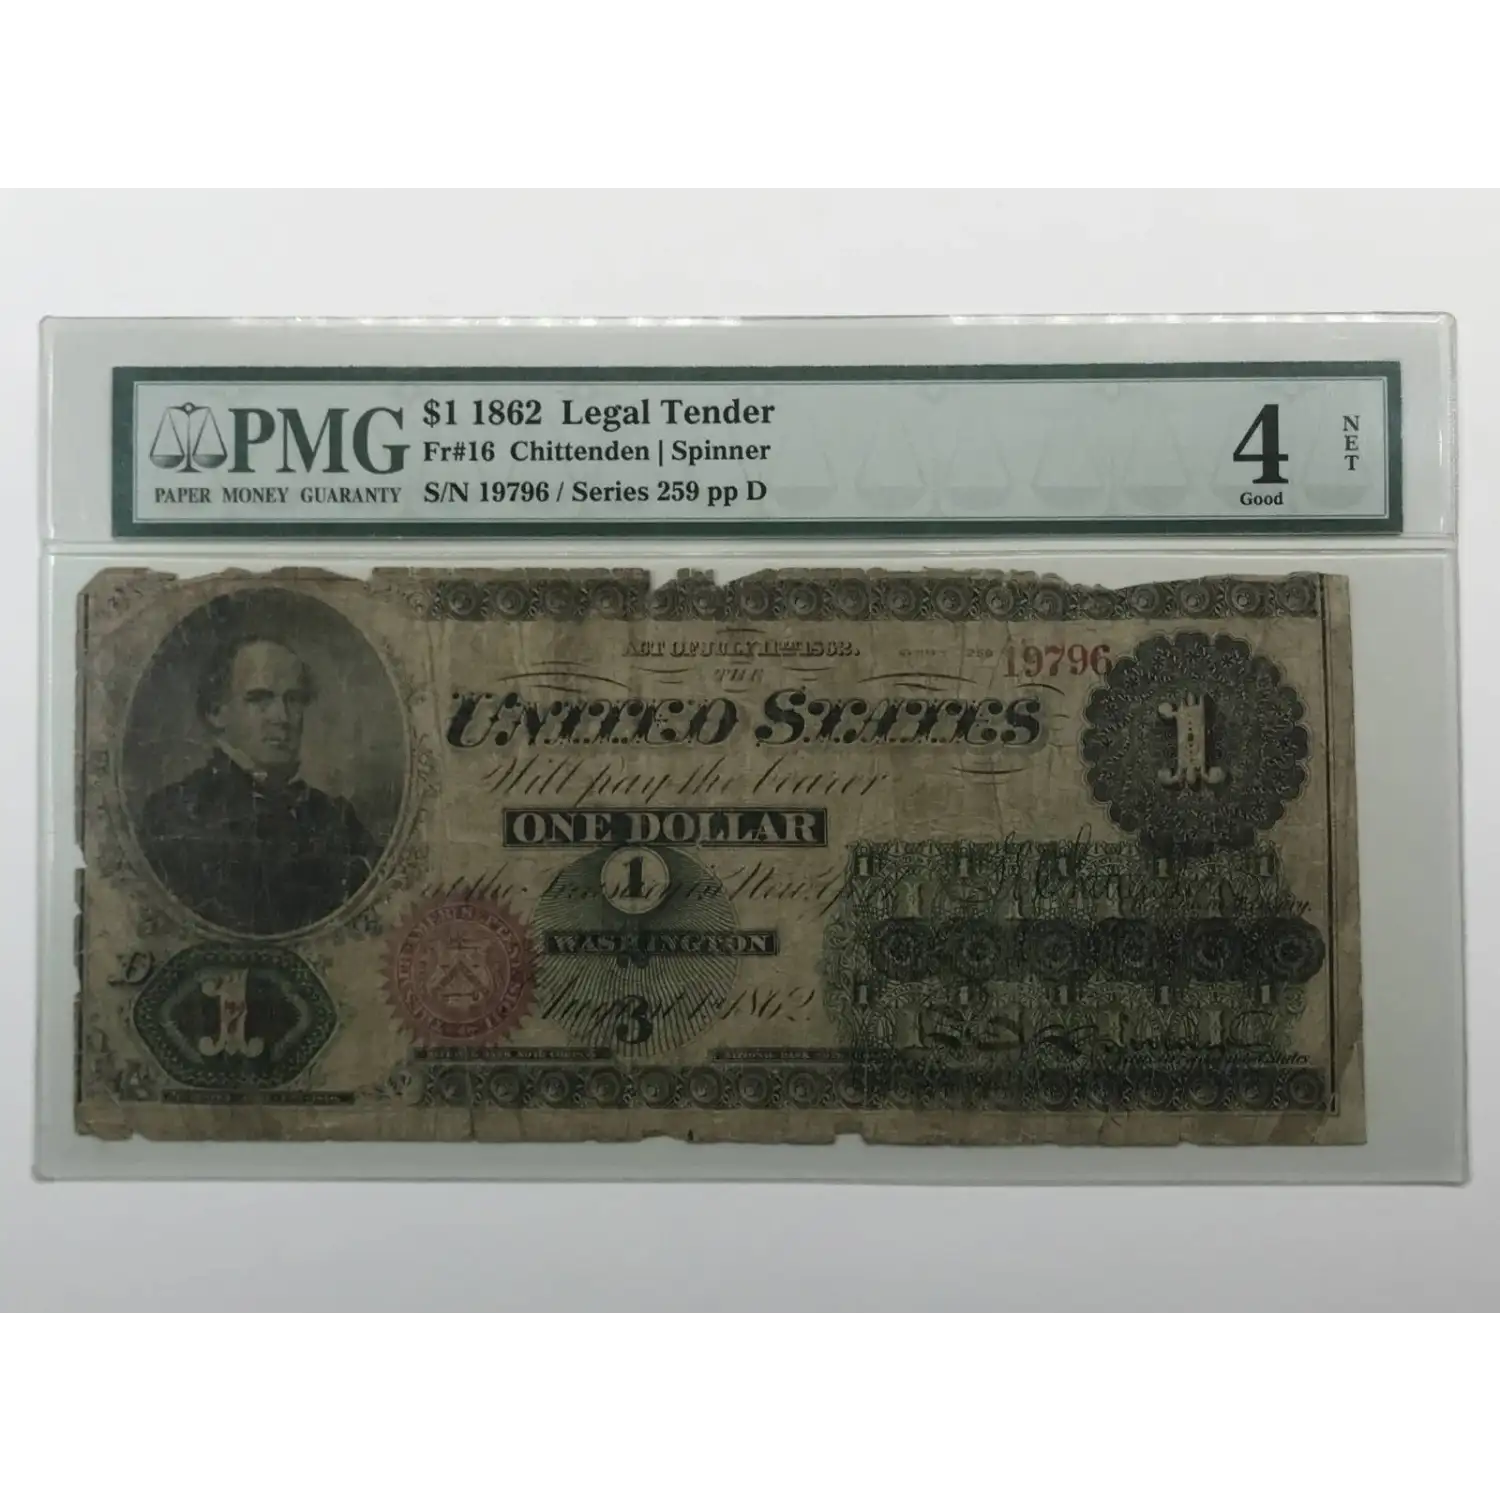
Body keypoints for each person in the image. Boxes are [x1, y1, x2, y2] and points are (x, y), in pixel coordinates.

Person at [138, 636, 379, 934]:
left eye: (294, 699)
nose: (282, 718)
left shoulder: (337, 817)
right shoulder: (175, 812)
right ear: (217, 711)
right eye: (260, 699)